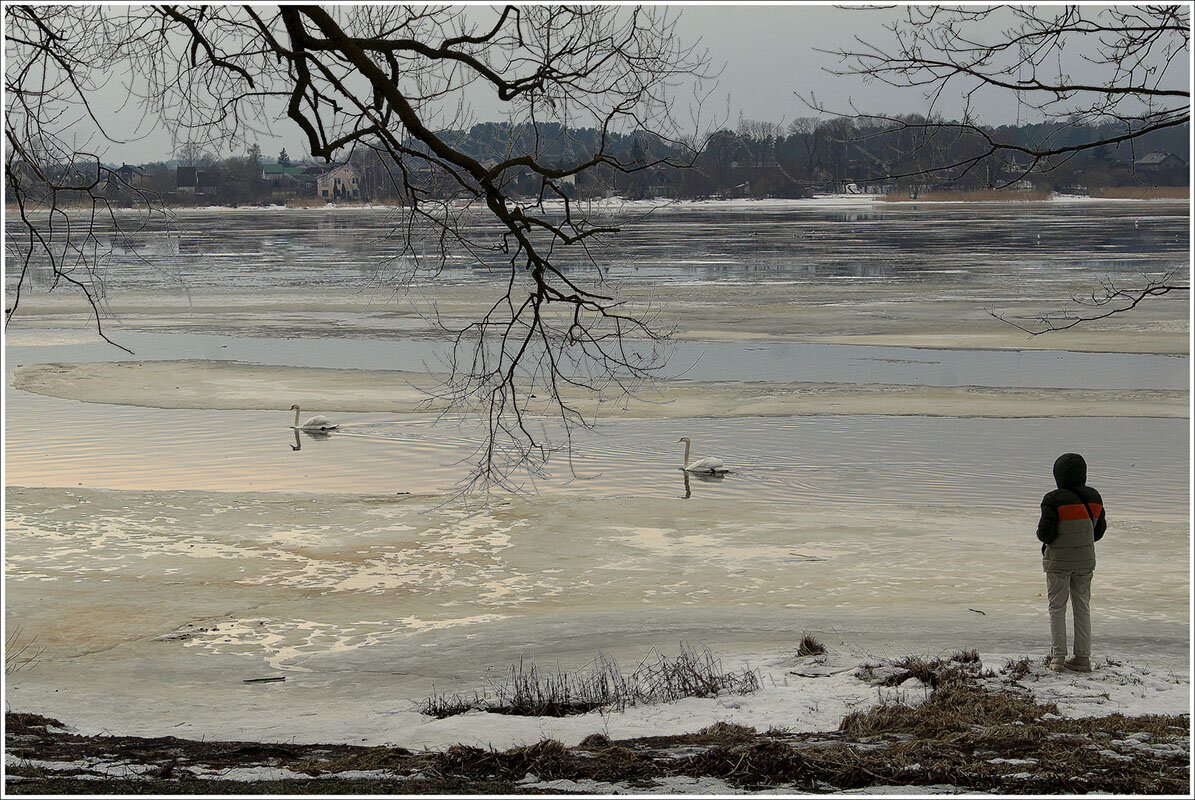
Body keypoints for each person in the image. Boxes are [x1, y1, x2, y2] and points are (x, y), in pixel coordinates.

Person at [1036, 453, 1107, 673]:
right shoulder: (1094, 497)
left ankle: (1058, 659)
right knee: (1082, 606)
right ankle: (1083, 658)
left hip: (1057, 562)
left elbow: (1045, 534)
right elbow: (1098, 531)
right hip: (1086, 561)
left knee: (1057, 607)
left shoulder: (1052, 499)